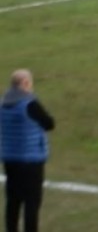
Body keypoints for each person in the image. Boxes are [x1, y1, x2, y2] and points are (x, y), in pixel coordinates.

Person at [2, 69, 55, 232]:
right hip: (31, 160)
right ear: (25, 83)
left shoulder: (3, 104)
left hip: (10, 159)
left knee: (13, 200)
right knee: (32, 202)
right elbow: (49, 123)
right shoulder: (29, 104)